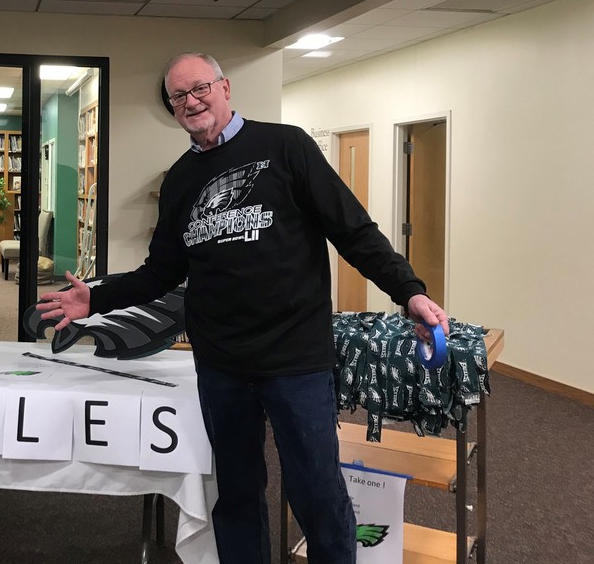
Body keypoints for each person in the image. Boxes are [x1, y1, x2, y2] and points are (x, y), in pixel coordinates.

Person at [39, 52, 449, 564]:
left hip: (295, 359)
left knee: (317, 492)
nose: (191, 101)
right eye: (179, 96)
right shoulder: (180, 179)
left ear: (225, 87)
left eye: (200, 88)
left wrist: (409, 291)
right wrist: (97, 298)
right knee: (235, 495)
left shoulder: (286, 146)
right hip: (221, 365)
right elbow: (161, 272)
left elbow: (353, 230)